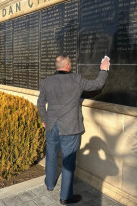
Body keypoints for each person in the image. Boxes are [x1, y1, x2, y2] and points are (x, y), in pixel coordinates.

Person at [37, 55, 110, 205]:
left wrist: (44, 119)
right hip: (70, 127)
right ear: (68, 65)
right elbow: (97, 85)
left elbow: (40, 104)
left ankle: (49, 185)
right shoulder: (77, 80)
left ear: (57, 66)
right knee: (68, 162)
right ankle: (65, 197)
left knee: (51, 156)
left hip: (51, 126)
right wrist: (104, 69)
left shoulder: (46, 82)